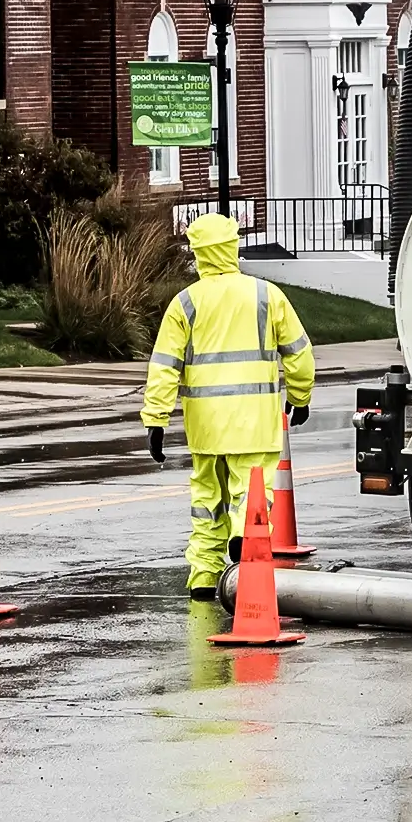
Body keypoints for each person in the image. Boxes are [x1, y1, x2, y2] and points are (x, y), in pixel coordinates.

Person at [142, 214, 317, 599]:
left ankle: (204, 576)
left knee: (206, 500)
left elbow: (165, 365)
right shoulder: (266, 295)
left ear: (199, 254)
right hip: (255, 422)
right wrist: (300, 397)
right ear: (233, 247)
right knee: (252, 493)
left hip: (206, 425)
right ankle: (244, 545)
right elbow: (299, 353)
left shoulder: (185, 303)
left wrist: (155, 419)